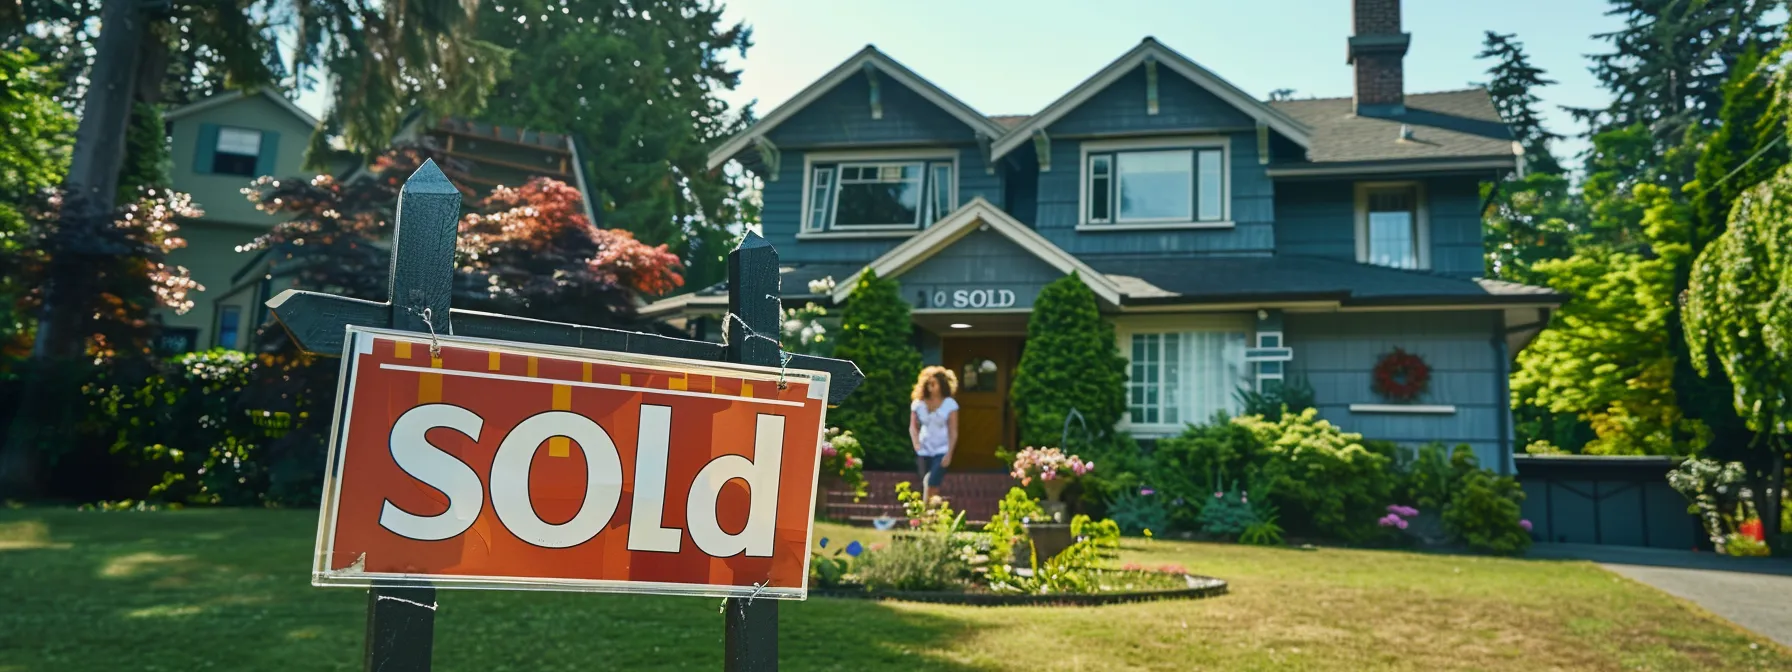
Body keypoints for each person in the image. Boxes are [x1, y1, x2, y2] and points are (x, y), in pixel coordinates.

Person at [908, 366, 959, 505]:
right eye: (928, 384)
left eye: (934, 384)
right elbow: (913, 427)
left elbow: (953, 431)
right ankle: (930, 514)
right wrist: (916, 444)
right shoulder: (918, 404)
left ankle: (926, 514)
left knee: (931, 482)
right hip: (924, 449)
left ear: (942, 385)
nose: (931, 387)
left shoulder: (950, 404)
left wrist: (949, 453)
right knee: (926, 483)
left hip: (941, 450)